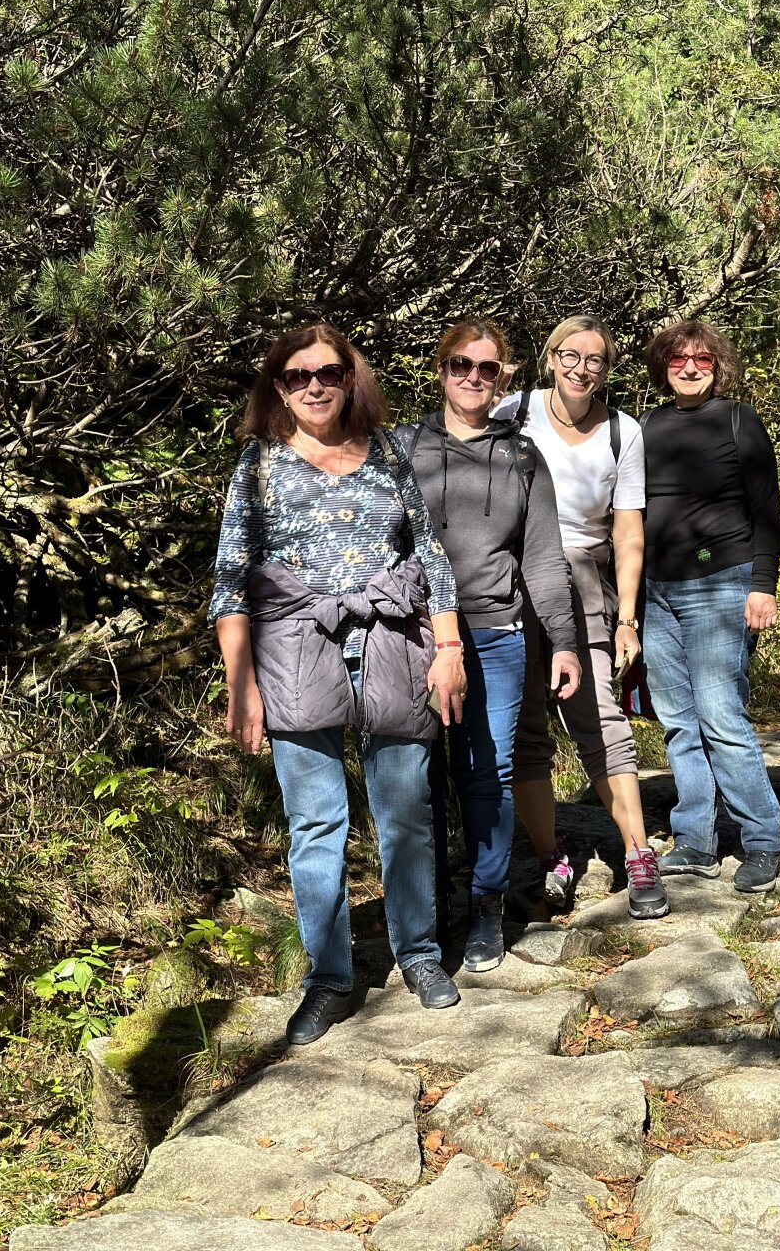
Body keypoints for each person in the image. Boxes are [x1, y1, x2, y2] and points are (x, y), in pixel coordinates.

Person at [210, 323, 468, 1046]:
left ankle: (418, 954)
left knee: (407, 812)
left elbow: (431, 555)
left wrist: (449, 647)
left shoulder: (387, 452)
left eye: (328, 372)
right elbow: (230, 581)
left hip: (394, 643)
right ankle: (328, 976)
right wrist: (240, 685)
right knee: (315, 823)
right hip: (294, 649)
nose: (315, 386)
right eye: (298, 376)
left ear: (350, 378)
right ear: (279, 387)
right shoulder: (259, 464)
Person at [396, 319, 582, 971]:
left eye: (487, 368)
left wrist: (563, 642)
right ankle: (427, 911)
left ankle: (486, 906)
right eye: (460, 364)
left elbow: (543, 559)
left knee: (488, 774)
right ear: (440, 369)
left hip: (498, 635)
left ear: (504, 377)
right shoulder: (402, 448)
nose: (473, 377)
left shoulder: (523, 458)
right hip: (414, 636)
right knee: (416, 777)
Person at [494, 315, 669, 920]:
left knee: (599, 716)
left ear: (607, 369)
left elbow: (628, 532)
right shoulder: (514, 412)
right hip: (509, 581)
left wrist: (628, 620)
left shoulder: (623, 432)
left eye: (595, 359)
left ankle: (639, 854)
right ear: (550, 358)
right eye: (570, 355)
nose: (581, 368)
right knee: (524, 727)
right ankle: (552, 858)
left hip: (584, 582)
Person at [639, 319, 780, 893]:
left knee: (721, 715)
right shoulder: (646, 426)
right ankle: (695, 842)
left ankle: (763, 840)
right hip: (656, 592)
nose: (690, 368)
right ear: (664, 366)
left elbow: (766, 510)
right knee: (678, 721)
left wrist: (763, 584)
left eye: (702, 359)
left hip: (722, 584)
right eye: (678, 359)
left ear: (717, 366)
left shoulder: (737, 420)